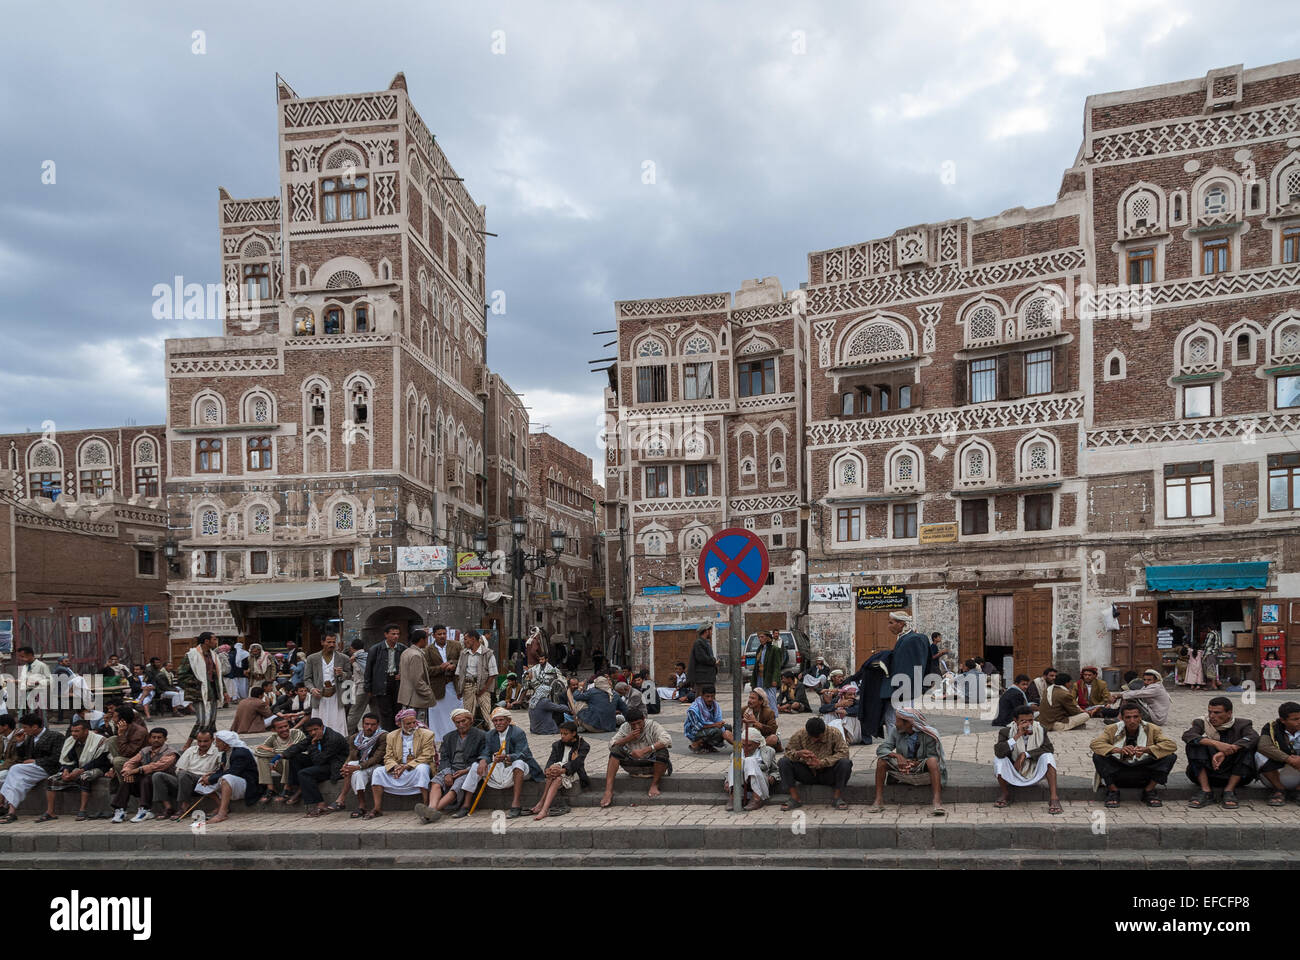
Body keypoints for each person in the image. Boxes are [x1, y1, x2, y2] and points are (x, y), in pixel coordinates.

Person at [455, 707, 543, 819]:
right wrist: (483, 760)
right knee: (475, 766)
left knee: (519, 763)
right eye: (495, 721)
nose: (498, 723)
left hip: (516, 767)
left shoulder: (517, 732)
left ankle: (516, 804)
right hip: (499, 767)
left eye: (501, 720)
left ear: (508, 721)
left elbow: (523, 753)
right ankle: (466, 805)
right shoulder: (490, 734)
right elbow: (486, 752)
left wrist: (507, 757)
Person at [1090, 702, 1178, 807]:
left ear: (1140, 717)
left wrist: (1148, 749)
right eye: (1128, 717)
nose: (1132, 721)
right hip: (1119, 770)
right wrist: (1118, 750)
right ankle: (1113, 791)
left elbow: (1171, 745)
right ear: (1122, 718)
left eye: (1135, 717)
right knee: (1098, 756)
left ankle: (1149, 790)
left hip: (1143, 770)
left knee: (1170, 756)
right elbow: (1095, 744)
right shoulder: (1112, 729)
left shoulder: (1152, 729)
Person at [1183, 696, 1258, 809]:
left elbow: (1253, 737)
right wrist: (1216, 744)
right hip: (1208, 771)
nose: (1212, 716)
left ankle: (1229, 790)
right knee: (1194, 744)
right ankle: (1206, 790)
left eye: (1217, 713)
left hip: (1235, 773)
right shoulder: (1201, 723)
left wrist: (1228, 750)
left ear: (1229, 713)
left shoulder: (1243, 724)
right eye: (1210, 712)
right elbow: (1188, 735)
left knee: (1246, 748)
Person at [870, 707, 947, 815]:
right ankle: (878, 800)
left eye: (897, 721)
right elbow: (882, 749)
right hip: (903, 767)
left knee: (932, 761)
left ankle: (937, 801)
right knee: (881, 761)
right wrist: (897, 756)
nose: (895, 724)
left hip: (921, 767)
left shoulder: (929, 735)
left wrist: (915, 763)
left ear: (908, 723)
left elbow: (933, 756)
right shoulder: (896, 731)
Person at [416, 708, 488, 823]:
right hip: (450, 768)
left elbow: (483, 756)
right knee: (436, 782)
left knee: (456, 787)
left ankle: (431, 811)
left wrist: (465, 770)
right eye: (457, 722)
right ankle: (431, 808)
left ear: (471, 720)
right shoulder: (448, 737)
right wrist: (448, 773)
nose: (461, 724)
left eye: (463, 721)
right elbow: (444, 757)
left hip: (467, 769)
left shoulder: (481, 735)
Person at [35, 718, 109, 823]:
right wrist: (66, 770)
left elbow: (100, 761)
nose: (73, 734)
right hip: (77, 768)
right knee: (52, 779)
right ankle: (50, 812)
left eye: (77, 731)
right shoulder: (71, 741)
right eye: (72, 731)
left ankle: (82, 810)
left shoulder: (100, 740)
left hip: (97, 767)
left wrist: (81, 770)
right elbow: (69, 760)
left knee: (85, 776)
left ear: (86, 731)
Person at [367, 708, 437, 819]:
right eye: (408, 723)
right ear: (400, 724)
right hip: (398, 768)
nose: (413, 726)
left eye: (414, 722)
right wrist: (395, 766)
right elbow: (388, 757)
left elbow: (427, 755)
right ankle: (377, 808)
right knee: (378, 772)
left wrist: (406, 766)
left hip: (416, 766)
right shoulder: (392, 736)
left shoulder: (427, 734)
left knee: (423, 769)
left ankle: (426, 805)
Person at [993, 705, 1062, 814]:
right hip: (1015, 770)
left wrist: (1025, 754)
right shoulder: (1006, 731)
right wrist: (1017, 735)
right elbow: (999, 752)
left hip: (1034, 768)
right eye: (1023, 721)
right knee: (999, 760)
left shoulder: (1040, 729)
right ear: (1015, 721)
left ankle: (1054, 798)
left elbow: (1049, 748)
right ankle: (1005, 794)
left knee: (1048, 757)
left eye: (1031, 720)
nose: (1028, 724)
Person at [600, 708, 672, 806]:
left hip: (651, 764)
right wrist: (627, 738)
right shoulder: (625, 727)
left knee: (663, 751)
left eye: (639, 723)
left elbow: (667, 740)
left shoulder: (652, 725)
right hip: (632, 765)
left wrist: (644, 750)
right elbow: (611, 744)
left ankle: (654, 785)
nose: (637, 726)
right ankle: (608, 791)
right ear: (629, 723)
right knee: (615, 751)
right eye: (633, 724)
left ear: (644, 719)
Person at [779, 716, 852, 811]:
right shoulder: (800, 734)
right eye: (811, 737)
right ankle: (795, 797)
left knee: (845, 763)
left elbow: (844, 753)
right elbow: (787, 752)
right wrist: (798, 754)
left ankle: (837, 797)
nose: (814, 740)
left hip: (827, 772)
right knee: (783, 762)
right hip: (807, 773)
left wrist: (822, 763)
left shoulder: (834, 733)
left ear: (823, 732)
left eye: (817, 737)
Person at [282, 718, 350, 817]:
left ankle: (320, 804)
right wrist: (280, 756)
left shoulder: (333, 738)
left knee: (304, 773)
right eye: (310, 731)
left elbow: (319, 761)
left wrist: (313, 744)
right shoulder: (314, 735)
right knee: (294, 757)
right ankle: (300, 787)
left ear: (322, 727)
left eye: (315, 729)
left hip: (334, 767)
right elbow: (300, 746)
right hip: (322, 761)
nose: (313, 733)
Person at [114, 727, 177, 823]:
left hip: (163, 785)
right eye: (154, 737)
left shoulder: (170, 752)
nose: (156, 740)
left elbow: (157, 767)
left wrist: (135, 771)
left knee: (147, 778)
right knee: (128, 780)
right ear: (149, 739)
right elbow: (131, 762)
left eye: (159, 737)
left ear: (165, 739)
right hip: (146, 786)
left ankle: (145, 809)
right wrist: (128, 772)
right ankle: (120, 810)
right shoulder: (145, 750)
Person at [157, 730, 221, 820]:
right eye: (199, 741)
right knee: (158, 775)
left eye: (205, 741)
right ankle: (168, 808)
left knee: (184, 775)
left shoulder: (217, 752)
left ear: (212, 740)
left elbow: (219, 771)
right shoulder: (191, 750)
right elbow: (180, 768)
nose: (202, 744)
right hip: (184, 779)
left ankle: (183, 807)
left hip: (202, 780)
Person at [532, 722, 589, 820]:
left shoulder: (582, 746)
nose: (562, 736)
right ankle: (543, 807)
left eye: (565, 734)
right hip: (557, 772)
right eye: (561, 733)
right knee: (555, 774)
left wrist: (562, 770)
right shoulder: (557, 745)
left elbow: (576, 764)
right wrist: (547, 769)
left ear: (574, 733)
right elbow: (551, 759)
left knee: (557, 773)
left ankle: (543, 806)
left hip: (574, 772)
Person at [204, 731, 264, 824]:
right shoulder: (226, 752)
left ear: (225, 743)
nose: (215, 745)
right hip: (235, 783)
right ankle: (221, 805)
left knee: (227, 778)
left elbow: (233, 772)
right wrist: (210, 776)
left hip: (247, 785)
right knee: (202, 781)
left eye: (217, 742)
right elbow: (223, 770)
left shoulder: (240, 753)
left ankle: (222, 814)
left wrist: (211, 779)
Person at [335, 713, 387, 818]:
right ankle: (362, 806)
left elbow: (377, 758)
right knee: (355, 772)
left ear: (377, 725)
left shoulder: (383, 736)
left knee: (356, 769)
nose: (369, 727)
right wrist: (345, 766)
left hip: (378, 766)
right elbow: (351, 755)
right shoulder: (355, 737)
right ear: (362, 724)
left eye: (372, 725)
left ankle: (342, 797)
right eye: (367, 724)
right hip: (361, 765)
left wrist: (358, 767)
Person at [177, 632, 223, 748]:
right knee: (202, 721)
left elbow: (218, 676)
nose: (216, 641)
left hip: (212, 691)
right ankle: (188, 744)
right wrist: (198, 682)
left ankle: (211, 743)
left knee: (212, 720)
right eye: (214, 639)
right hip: (199, 693)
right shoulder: (191, 655)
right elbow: (182, 675)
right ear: (206, 641)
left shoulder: (213, 655)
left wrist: (224, 692)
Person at [725, 723, 780, 811]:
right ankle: (733, 797)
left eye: (749, 745)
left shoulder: (769, 751)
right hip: (741, 783)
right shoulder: (737, 751)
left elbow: (775, 770)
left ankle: (757, 799)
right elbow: (730, 769)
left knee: (750, 760)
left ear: (758, 744)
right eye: (743, 744)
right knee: (737, 760)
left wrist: (773, 776)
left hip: (759, 782)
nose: (745, 748)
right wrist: (727, 781)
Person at [252, 715, 306, 802]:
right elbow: (258, 751)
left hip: (299, 767)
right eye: (280, 728)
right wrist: (275, 755)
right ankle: (270, 788)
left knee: (287, 756)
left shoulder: (297, 733)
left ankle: (287, 787)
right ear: (274, 730)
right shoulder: (273, 737)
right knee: (262, 758)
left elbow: (292, 750)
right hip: (284, 768)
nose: (284, 729)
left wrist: (272, 750)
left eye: (286, 726)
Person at [303, 633, 348, 736]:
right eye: (329, 642)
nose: (332, 644)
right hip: (319, 696)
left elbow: (349, 675)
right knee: (319, 722)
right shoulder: (312, 658)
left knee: (337, 723)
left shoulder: (343, 658)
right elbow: (307, 679)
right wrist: (312, 689)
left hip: (336, 696)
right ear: (322, 642)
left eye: (333, 642)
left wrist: (342, 674)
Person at [364, 624, 407, 732]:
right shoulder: (375, 649)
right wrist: (368, 687)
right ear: (386, 635)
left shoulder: (402, 649)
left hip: (397, 683)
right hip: (381, 682)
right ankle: (388, 734)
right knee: (385, 712)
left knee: (398, 710)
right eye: (393, 634)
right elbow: (368, 669)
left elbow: (408, 666)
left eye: (397, 634)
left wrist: (403, 675)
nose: (396, 636)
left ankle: (397, 733)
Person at [1256, 701, 1300, 804]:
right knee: (1259, 755)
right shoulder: (1272, 727)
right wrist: (1288, 759)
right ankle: (1279, 790)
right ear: (1283, 720)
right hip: (1278, 773)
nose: (1299, 721)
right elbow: (1263, 746)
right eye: (1295, 719)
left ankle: (1299, 791)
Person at [425, 624, 464, 738]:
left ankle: (457, 735)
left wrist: (454, 665)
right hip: (438, 687)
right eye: (439, 634)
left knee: (456, 712)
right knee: (437, 715)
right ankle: (439, 738)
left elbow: (463, 662)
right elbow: (427, 670)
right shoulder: (428, 650)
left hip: (454, 685)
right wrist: (441, 668)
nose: (442, 636)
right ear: (434, 635)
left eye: (444, 633)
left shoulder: (456, 645)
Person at [456, 630, 497, 730]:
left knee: (486, 713)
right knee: (468, 714)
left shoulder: (488, 653)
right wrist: (459, 689)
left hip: (483, 687)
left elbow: (493, 674)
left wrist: (484, 689)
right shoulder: (464, 653)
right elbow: (459, 673)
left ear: (473, 639)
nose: (464, 642)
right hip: (468, 686)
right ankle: (469, 735)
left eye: (466, 639)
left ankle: (489, 734)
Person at [398, 629, 437, 726]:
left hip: (408, 696)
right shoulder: (416, 655)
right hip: (415, 698)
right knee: (417, 726)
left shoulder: (406, 652)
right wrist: (428, 693)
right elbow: (417, 680)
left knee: (407, 725)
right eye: (427, 639)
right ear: (422, 640)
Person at [1106, 668, 1171, 725]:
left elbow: (1136, 694)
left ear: (1155, 680)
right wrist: (1117, 695)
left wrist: (1118, 695)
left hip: (1155, 718)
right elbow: (1136, 692)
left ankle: (1119, 719)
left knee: (1129, 698)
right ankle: (1121, 718)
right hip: (1153, 715)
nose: (1146, 682)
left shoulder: (1156, 687)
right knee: (1128, 696)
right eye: (1144, 680)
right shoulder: (1149, 687)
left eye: (1149, 680)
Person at [108, 704, 149, 779]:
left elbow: (126, 752)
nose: (113, 719)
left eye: (115, 717)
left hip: (139, 760)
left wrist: (121, 735)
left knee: (117, 761)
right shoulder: (122, 727)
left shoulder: (139, 732)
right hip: (128, 756)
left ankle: (124, 783)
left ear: (122, 720)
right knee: (111, 740)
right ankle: (119, 770)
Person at [684, 685, 729, 751]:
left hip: (709, 727)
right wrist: (715, 725)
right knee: (717, 730)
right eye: (707, 696)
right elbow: (698, 727)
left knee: (727, 727)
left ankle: (707, 745)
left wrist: (720, 724)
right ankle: (696, 743)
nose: (710, 699)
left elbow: (718, 720)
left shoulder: (715, 705)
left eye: (712, 696)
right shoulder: (694, 709)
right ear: (702, 696)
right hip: (694, 731)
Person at [15, 647, 53, 717]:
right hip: (25, 693)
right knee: (23, 714)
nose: (21, 658)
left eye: (22, 656)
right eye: (20, 656)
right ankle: (24, 728)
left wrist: (38, 682)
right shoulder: (24, 667)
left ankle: (41, 728)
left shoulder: (42, 665)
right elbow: (23, 680)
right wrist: (16, 681)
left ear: (30, 655)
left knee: (37, 714)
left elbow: (49, 680)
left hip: (37, 693)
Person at [752, 631, 783, 712]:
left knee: (771, 698)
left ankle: (773, 716)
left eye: (762, 637)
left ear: (768, 638)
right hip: (760, 677)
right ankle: (763, 715)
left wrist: (775, 679)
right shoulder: (760, 649)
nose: (760, 639)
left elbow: (777, 666)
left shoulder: (774, 649)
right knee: (760, 697)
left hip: (769, 678)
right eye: (759, 637)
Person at [345, 638, 370, 736]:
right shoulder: (366, 655)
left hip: (362, 687)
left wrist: (353, 663)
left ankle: (347, 733)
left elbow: (363, 671)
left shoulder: (356, 657)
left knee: (354, 712)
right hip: (360, 686)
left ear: (351, 648)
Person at [685, 624, 718, 695]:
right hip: (702, 679)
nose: (712, 633)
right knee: (701, 700)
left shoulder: (706, 642)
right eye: (711, 630)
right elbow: (703, 658)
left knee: (710, 702)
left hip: (708, 678)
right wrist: (714, 661)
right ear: (706, 631)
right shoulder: (699, 643)